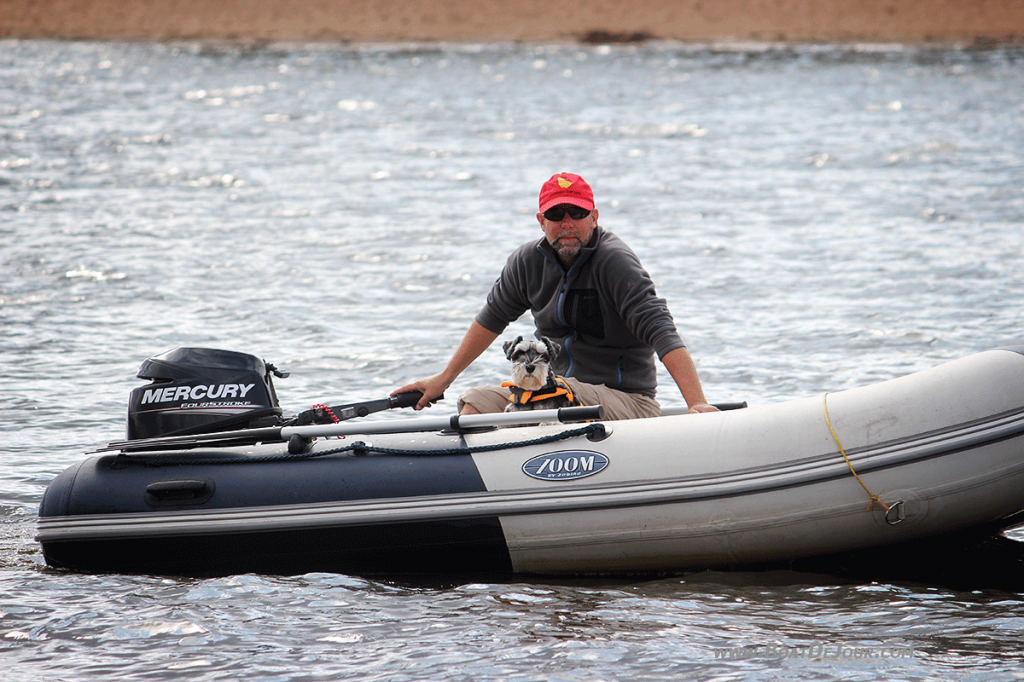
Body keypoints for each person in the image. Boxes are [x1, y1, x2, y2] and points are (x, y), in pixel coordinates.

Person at [394, 172, 718, 420]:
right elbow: (491, 319)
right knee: (476, 402)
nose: (566, 224)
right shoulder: (526, 262)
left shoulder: (615, 262)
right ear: (541, 221)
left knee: (557, 394)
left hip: (628, 400)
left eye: (576, 213)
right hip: (553, 393)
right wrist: (444, 379)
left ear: (594, 216)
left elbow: (662, 332)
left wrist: (697, 403)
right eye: (556, 214)